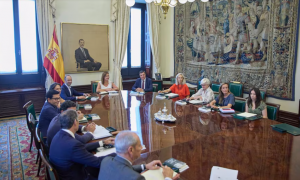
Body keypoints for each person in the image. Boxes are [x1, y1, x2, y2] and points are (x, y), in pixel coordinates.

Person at [49, 109, 116, 180]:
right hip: (77, 176)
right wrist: (117, 154)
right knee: (111, 171)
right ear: (75, 122)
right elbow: (97, 162)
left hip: (66, 172)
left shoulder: (59, 135)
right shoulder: (73, 145)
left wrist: (103, 142)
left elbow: (81, 148)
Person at [98, 131, 178, 180]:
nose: (141, 148)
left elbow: (123, 167)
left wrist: (145, 166)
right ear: (131, 150)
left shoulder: (106, 161)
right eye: (139, 145)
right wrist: (168, 177)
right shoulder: (136, 178)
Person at [47, 100, 115, 151]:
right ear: (62, 111)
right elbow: (81, 140)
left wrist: (85, 128)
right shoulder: (61, 125)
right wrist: (90, 132)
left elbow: (71, 123)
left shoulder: (60, 117)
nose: (75, 114)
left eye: (75, 111)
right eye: (71, 111)